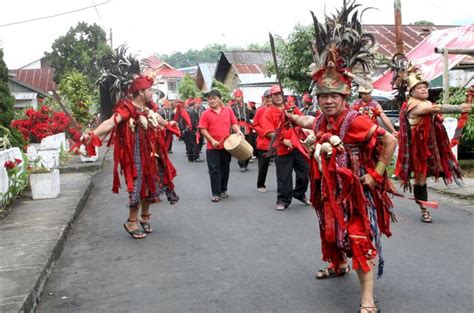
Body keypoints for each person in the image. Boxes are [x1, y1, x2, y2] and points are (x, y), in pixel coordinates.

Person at [83, 75, 178, 239]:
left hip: (152, 154)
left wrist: (168, 124)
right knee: (138, 186)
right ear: (141, 92)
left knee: (152, 184)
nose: (151, 93)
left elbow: (157, 118)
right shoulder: (126, 109)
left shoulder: (148, 108)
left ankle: (145, 217)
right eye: (149, 90)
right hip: (135, 157)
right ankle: (131, 221)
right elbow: (109, 123)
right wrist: (92, 135)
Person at [394, 65, 472, 223]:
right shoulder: (415, 105)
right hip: (419, 149)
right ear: (412, 92)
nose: (424, 89)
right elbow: (435, 108)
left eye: (425, 87)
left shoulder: (425, 102)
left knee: (441, 169)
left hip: (431, 145)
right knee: (420, 179)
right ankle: (424, 209)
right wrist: (459, 107)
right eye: (420, 87)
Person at [262, 84, 310, 210]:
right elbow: (268, 132)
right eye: (275, 95)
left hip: (298, 146)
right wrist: (283, 140)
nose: (278, 97)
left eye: (279, 94)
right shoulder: (268, 113)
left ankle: (299, 193)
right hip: (282, 150)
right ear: (271, 97)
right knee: (284, 177)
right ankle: (283, 199)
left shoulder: (292, 108)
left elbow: (302, 121)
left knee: (305, 173)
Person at [198, 89, 243, 202]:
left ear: (219, 99)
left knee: (225, 168)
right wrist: (212, 140)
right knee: (214, 170)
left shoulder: (228, 110)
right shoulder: (205, 113)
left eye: (214, 98)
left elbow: (234, 123)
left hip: (227, 146)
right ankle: (215, 193)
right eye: (209, 99)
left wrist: (238, 131)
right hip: (212, 147)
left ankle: (223, 190)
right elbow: (203, 129)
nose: (211, 101)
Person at [252, 89, 273, 192]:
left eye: (270, 97)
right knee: (263, 165)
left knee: (283, 166)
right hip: (264, 141)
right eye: (267, 97)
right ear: (264, 99)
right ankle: (260, 184)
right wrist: (265, 133)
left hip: (278, 141)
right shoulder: (260, 110)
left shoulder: (278, 110)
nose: (269, 99)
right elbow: (255, 124)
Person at [232, 89, 255, 172]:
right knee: (239, 148)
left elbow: (254, 116)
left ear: (242, 97)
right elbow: (231, 119)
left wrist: (251, 110)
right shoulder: (233, 107)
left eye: (239, 97)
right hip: (237, 129)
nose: (237, 98)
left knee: (248, 146)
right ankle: (242, 164)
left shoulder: (247, 106)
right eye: (236, 97)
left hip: (247, 128)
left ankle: (246, 162)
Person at [184, 98, 204, 162]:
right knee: (196, 144)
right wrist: (195, 129)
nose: (199, 105)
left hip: (187, 129)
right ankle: (196, 157)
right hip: (192, 129)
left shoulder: (186, 110)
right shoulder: (192, 111)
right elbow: (193, 122)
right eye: (198, 104)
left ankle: (190, 157)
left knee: (189, 143)